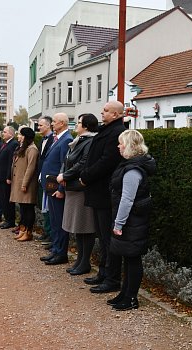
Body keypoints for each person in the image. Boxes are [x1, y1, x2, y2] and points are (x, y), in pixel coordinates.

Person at [80, 100, 126, 293]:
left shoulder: (116, 132)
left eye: (106, 110)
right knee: (101, 235)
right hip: (97, 190)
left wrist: (87, 175)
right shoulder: (106, 130)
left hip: (104, 191)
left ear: (115, 114)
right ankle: (103, 272)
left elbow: (107, 161)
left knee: (108, 237)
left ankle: (112, 278)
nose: (102, 112)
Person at [107, 130, 156, 310]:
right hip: (132, 219)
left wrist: (119, 224)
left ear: (129, 145)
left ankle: (131, 298)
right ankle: (125, 293)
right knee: (128, 258)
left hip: (131, 221)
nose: (118, 146)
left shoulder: (133, 170)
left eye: (121, 143)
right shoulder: (130, 165)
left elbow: (127, 199)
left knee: (133, 258)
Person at [57, 113, 98, 275]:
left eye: (79, 122)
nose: (76, 125)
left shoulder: (90, 141)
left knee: (84, 226)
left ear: (86, 126)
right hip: (72, 188)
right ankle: (80, 261)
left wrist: (66, 176)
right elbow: (67, 161)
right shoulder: (79, 140)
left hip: (81, 189)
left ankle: (84, 262)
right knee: (77, 227)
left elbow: (83, 162)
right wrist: (63, 175)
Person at [40, 113, 73, 265]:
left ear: (61, 123)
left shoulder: (67, 140)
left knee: (59, 221)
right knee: (54, 220)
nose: (52, 124)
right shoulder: (57, 138)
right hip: (50, 186)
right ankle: (55, 249)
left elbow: (64, 166)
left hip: (56, 187)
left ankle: (61, 253)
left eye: (53, 121)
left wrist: (61, 188)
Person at [9, 127, 39, 242]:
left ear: (26, 136)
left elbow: (30, 168)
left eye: (21, 135)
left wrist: (24, 183)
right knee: (23, 208)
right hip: (20, 182)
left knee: (28, 208)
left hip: (27, 184)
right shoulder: (24, 148)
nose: (18, 137)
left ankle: (28, 231)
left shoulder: (32, 149)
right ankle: (22, 230)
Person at [0, 126, 19, 229]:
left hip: (6, 178)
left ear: (11, 134)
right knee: (3, 199)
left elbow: (11, 162)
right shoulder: (5, 144)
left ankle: (10, 220)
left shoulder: (13, 144)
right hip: (0, 176)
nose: (3, 133)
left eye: (4, 132)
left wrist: (8, 176)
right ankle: (7, 219)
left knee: (7, 200)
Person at [37, 116, 54, 247]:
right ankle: (47, 231)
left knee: (49, 207)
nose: (38, 127)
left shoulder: (53, 139)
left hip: (50, 178)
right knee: (44, 206)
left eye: (41, 125)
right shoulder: (42, 140)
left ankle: (51, 234)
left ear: (48, 126)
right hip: (42, 176)